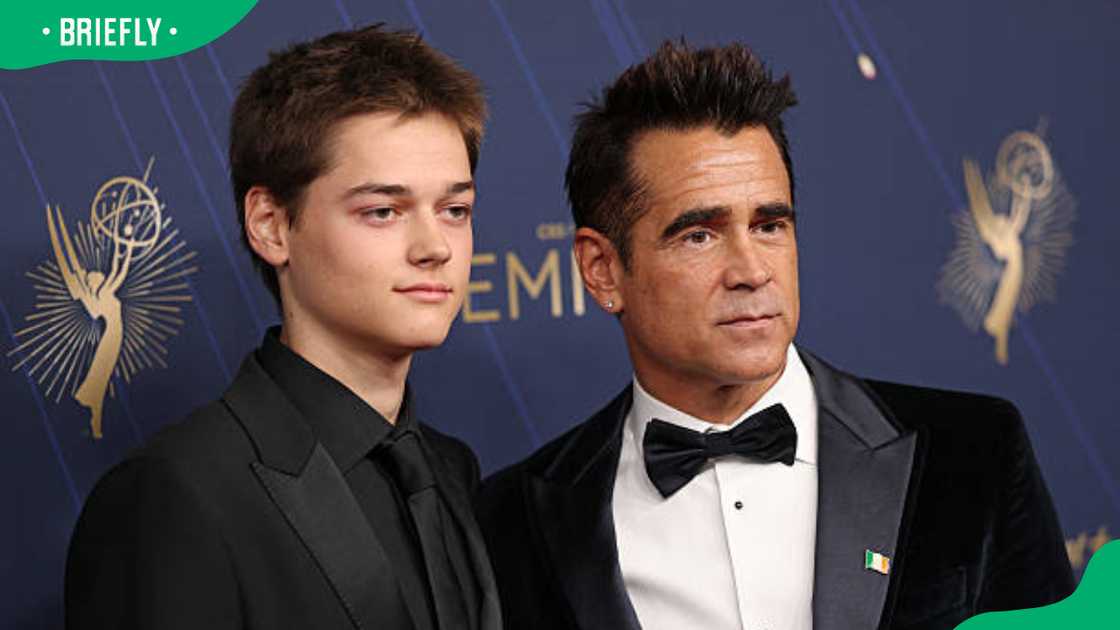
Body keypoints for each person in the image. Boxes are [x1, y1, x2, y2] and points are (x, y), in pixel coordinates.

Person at [475, 40, 1074, 630]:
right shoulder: (513, 524)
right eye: (699, 236)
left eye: (768, 225)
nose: (752, 271)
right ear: (603, 269)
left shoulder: (974, 455)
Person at [65, 25, 499, 630]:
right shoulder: (174, 496)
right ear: (270, 225)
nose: (436, 247)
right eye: (382, 211)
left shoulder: (451, 470)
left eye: (454, 210)